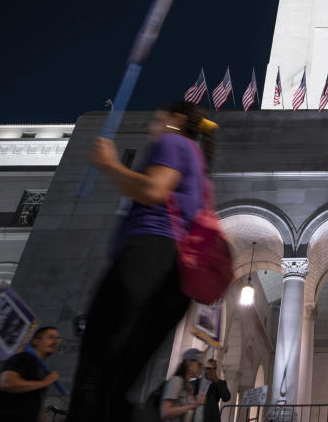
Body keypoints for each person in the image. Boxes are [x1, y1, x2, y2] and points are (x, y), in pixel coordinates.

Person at [67, 101, 217, 422]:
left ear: (176, 120)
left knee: (97, 366)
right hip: (176, 278)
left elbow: (153, 189)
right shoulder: (200, 166)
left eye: (158, 117)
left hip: (148, 256)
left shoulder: (173, 141)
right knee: (119, 379)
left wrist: (109, 164)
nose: (153, 125)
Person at [0, 326, 62, 422]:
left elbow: (35, 404)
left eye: (58, 339)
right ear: (36, 341)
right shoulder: (23, 358)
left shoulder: (40, 369)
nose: (55, 342)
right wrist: (44, 383)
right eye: (51, 337)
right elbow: (7, 383)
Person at [162, 349, 206, 422]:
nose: (200, 368)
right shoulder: (176, 381)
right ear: (188, 363)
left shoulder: (188, 386)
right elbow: (165, 412)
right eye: (199, 364)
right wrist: (193, 405)